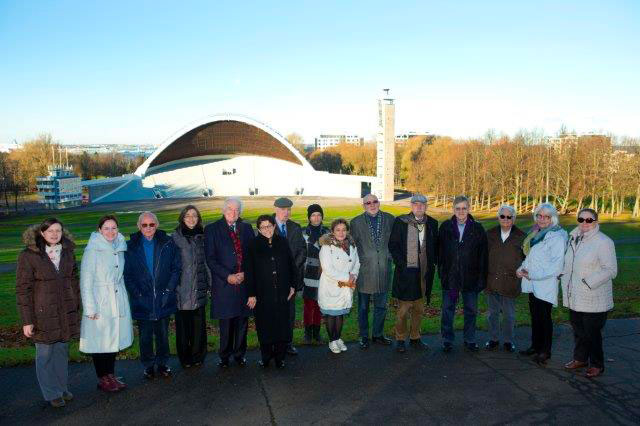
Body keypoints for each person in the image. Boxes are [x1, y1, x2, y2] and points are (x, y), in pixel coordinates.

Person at [16, 218, 80, 408]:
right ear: (42, 233)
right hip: (42, 314)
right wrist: (27, 321)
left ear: (62, 233)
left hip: (65, 312)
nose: (54, 234)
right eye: (50, 231)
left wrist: (76, 306)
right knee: (45, 355)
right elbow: (22, 289)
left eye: (58, 230)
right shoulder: (29, 255)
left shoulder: (68, 253)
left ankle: (62, 388)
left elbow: (74, 281)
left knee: (61, 352)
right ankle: (51, 393)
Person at [124, 211, 181, 379]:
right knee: (145, 336)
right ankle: (148, 365)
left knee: (163, 335)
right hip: (142, 299)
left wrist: (169, 290)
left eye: (152, 224)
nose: (148, 228)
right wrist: (138, 294)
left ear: (157, 225)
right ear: (139, 226)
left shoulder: (168, 242)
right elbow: (127, 275)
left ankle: (163, 364)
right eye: (144, 225)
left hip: (163, 297)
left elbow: (176, 269)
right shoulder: (130, 246)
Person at [79, 215, 133, 392]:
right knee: (100, 341)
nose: (111, 231)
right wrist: (90, 308)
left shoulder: (119, 246)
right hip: (100, 301)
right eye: (107, 228)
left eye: (114, 228)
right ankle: (102, 378)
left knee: (112, 339)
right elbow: (85, 281)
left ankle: (110, 375)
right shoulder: (92, 250)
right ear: (100, 230)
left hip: (116, 300)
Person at [561, 208, 617, 378]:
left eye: (589, 220)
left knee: (592, 334)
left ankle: (597, 365)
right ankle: (580, 359)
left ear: (596, 222)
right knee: (578, 330)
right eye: (581, 219)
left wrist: (589, 282)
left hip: (594, 296)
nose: (585, 223)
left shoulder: (604, 242)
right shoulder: (573, 238)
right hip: (574, 294)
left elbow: (611, 270)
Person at [204, 197, 254, 368]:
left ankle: (239, 354)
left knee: (242, 322)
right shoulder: (212, 229)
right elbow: (210, 259)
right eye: (230, 209)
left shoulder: (246, 228)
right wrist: (228, 276)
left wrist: (246, 273)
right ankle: (224, 356)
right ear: (224, 210)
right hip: (224, 283)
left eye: (237, 210)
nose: (234, 213)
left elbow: (252, 255)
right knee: (226, 323)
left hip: (244, 282)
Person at [517, 203, 568, 365]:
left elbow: (556, 266)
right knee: (535, 316)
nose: (542, 219)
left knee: (544, 318)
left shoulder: (557, 237)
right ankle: (535, 345)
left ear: (552, 218)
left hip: (545, 283)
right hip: (533, 282)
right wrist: (521, 269)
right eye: (539, 215)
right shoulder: (536, 233)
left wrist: (532, 275)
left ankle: (545, 351)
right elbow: (531, 257)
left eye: (546, 216)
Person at [388, 194, 438, 353]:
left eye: (422, 204)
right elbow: (393, 246)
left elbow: (435, 246)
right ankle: (401, 339)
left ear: (426, 206)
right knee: (403, 310)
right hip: (406, 273)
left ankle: (416, 337)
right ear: (411, 206)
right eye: (415, 204)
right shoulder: (401, 222)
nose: (419, 207)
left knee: (419, 309)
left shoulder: (432, 223)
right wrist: (402, 265)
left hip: (424, 274)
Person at [245, 215, 297, 368]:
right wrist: (251, 294)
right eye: (263, 227)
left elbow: (291, 265)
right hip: (262, 294)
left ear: (274, 226)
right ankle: (266, 357)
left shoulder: (283, 242)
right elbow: (249, 271)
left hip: (282, 292)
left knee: (281, 325)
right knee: (265, 326)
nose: (267, 229)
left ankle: (280, 358)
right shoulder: (252, 245)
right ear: (258, 229)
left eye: (269, 226)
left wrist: (293, 285)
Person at [438, 195, 488, 352]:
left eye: (464, 208)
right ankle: (447, 339)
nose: (461, 211)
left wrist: (481, 279)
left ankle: (470, 339)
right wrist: (443, 272)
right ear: (453, 209)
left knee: (471, 310)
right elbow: (440, 253)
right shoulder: (445, 227)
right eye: (458, 208)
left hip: (470, 279)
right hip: (451, 279)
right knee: (447, 309)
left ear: (469, 209)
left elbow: (483, 256)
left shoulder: (477, 228)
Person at [350, 194, 395, 349]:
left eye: (374, 201)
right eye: (368, 202)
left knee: (381, 306)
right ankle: (363, 336)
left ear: (379, 203)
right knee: (363, 307)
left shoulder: (390, 219)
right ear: (364, 205)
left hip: (383, 269)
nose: (372, 204)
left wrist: (389, 256)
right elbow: (352, 246)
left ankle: (378, 334)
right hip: (364, 271)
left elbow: (395, 242)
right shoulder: (355, 222)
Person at [172, 205, 210, 368]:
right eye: (188, 215)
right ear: (182, 218)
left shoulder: (203, 236)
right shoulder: (175, 237)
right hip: (182, 289)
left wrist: (210, 285)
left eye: (194, 215)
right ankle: (185, 358)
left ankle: (198, 356)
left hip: (199, 288)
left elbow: (207, 263)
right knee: (183, 328)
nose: (191, 218)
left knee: (199, 327)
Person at [484, 205, 526, 352]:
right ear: (498, 217)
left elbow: (527, 259)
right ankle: (493, 339)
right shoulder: (490, 234)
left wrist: (522, 270)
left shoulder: (522, 236)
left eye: (509, 217)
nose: (506, 219)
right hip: (492, 280)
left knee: (509, 315)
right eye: (503, 216)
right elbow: (483, 257)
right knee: (493, 314)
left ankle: (508, 341)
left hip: (510, 281)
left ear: (514, 218)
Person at [318, 219, 360, 354]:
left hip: (346, 287)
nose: (341, 233)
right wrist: (347, 278)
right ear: (332, 231)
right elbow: (327, 269)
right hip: (331, 287)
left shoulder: (352, 245)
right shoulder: (327, 247)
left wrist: (353, 276)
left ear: (347, 231)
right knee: (331, 315)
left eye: (344, 229)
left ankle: (338, 338)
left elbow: (357, 263)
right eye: (338, 230)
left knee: (340, 314)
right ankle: (332, 341)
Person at [273, 197, 307, 356]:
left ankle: (288, 343)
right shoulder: (267, 226)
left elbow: (302, 251)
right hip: (272, 281)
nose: (286, 213)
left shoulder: (295, 227)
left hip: (292, 280)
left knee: (289, 313)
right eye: (283, 210)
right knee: (274, 313)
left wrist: (291, 270)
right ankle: (274, 345)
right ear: (276, 210)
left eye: (288, 210)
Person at [301, 204, 329, 345]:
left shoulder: (328, 232)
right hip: (307, 273)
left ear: (322, 216)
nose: (316, 217)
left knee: (319, 304)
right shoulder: (303, 232)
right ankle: (307, 333)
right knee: (308, 305)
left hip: (323, 272)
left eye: (318, 214)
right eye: (313, 215)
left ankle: (317, 333)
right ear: (309, 217)